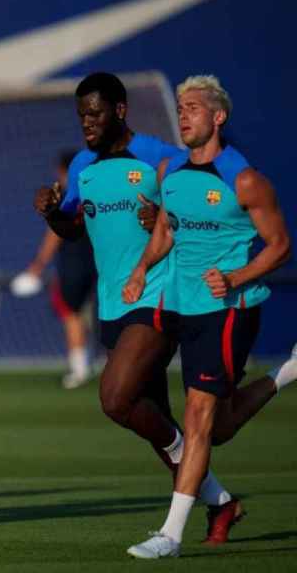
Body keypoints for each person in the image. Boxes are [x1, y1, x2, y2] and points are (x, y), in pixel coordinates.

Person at [34, 73, 237, 543]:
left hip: (159, 292)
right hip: (114, 305)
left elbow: (201, 211)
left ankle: (188, 455)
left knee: (115, 398)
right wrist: (51, 213)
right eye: (82, 114)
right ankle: (220, 504)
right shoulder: (83, 165)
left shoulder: (157, 156)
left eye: (96, 113)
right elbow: (72, 229)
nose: (87, 123)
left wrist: (166, 216)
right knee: (148, 414)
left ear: (120, 111)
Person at [124, 75, 297, 559]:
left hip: (229, 311)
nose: (183, 115)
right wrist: (141, 269)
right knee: (216, 427)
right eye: (180, 107)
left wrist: (237, 277)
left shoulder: (244, 179)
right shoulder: (169, 170)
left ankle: (170, 536)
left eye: (194, 107)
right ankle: (288, 372)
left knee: (197, 419)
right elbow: (164, 231)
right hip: (185, 309)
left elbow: (281, 247)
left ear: (218, 117)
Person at [20, 151, 97, 389]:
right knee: (95, 315)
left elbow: (54, 235)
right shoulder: (96, 193)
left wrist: (38, 264)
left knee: (70, 314)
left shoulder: (66, 196)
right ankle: (92, 362)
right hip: (99, 262)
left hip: (73, 263)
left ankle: (79, 368)